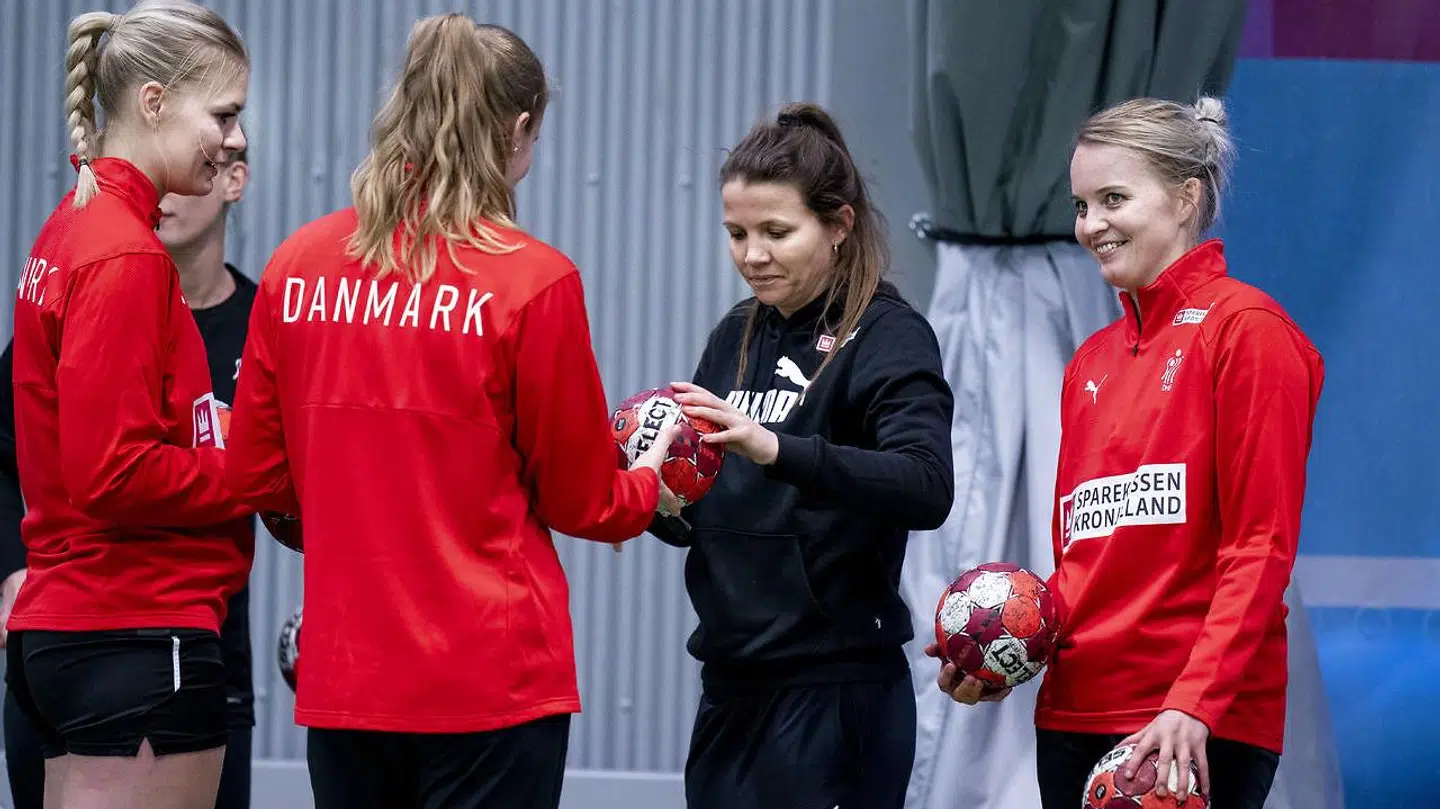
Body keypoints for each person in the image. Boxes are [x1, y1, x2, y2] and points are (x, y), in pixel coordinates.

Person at [223, 15, 678, 809]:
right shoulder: (533, 282)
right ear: (521, 128)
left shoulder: (297, 266)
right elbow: (585, 500)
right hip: (491, 686)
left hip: (350, 680)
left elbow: (258, 476)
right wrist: (649, 478)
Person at [928, 96, 1323, 809]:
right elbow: (1087, 562)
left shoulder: (1249, 332)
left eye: (1114, 198)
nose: (1091, 226)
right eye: (1081, 205)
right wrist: (1002, 641)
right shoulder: (1090, 362)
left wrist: (1194, 702)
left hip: (1190, 723)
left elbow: (1259, 547)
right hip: (1074, 711)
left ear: (1185, 197)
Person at [644, 102, 955, 809]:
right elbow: (710, 504)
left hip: (836, 691)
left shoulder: (889, 335)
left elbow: (927, 484)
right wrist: (659, 503)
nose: (753, 253)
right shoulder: (736, 335)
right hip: (731, 682)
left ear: (839, 224)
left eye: (777, 232)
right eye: (736, 233)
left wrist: (777, 447)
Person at [3, 2, 253, 808]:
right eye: (223, 114)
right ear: (153, 103)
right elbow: (113, 470)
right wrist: (250, 472)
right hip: (135, 630)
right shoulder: (124, 254)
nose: (235, 138)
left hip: (80, 631)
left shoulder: (70, 231)